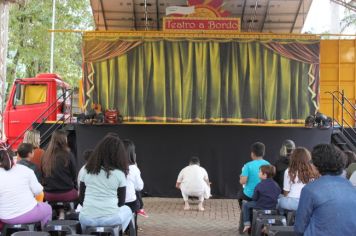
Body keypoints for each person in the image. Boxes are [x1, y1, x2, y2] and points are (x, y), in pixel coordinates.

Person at [295, 144, 356, 236]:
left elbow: (299, 228)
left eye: (311, 161)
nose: (310, 164)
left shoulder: (310, 189)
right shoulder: (351, 187)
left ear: (318, 164)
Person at [78, 134, 132, 231]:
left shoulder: (86, 170)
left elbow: (81, 199)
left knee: (83, 215)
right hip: (110, 220)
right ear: (119, 154)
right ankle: (115, 232)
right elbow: (121, 203)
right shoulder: (120, 174)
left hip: (87, 219)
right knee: (128, 210)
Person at [0, 148, 52, 229]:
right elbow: (38, 190)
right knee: (48, 209)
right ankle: (44, 232)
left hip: (5, 217)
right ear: (14, 157)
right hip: (28, 213)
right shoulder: (25, 170)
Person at [41, 130, 78, 219]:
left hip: (49, 194)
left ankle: (59, 212)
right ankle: (65, 213)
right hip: (67, 193)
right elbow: (74, 175)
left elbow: (42, 174)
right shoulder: (69, 154)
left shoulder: (45, 155)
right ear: (64, 140)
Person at [278, 147, 319, 212]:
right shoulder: (314, 170)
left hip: (292, 203)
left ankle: (285, 219)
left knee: (279, 200)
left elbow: (286, 192)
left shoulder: (289, 171)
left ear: (293, 158)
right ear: (308, 157)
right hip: (308, 203)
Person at [242, 165, 280, 232]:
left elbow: (254, 198)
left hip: (261, 205)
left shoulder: (259, 185)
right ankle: (267, 225)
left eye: (259, 172)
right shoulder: (276, 185)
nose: (258, 173)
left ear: (264, 175)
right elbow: (278, 194)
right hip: (273, 206)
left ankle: (247, 224)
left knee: (246, 205)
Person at [239, 142, 270, 207]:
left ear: (252, 153)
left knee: (240, 194)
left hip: (250, 196)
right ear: (263, 153)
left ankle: (244, 214)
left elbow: (242, 181)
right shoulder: (268, 164)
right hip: (264, 195)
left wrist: (241, 177)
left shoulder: (248, 165)